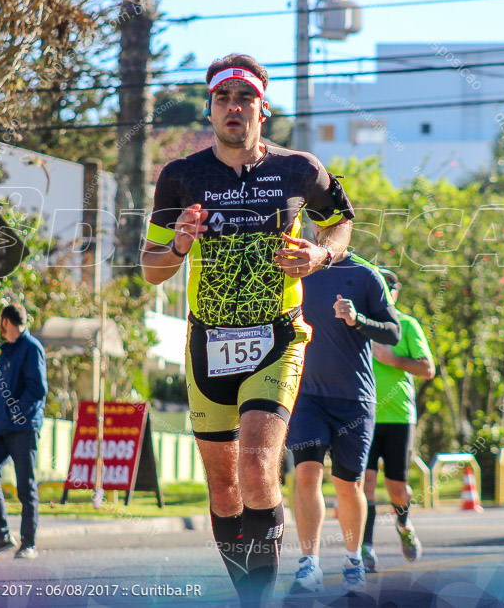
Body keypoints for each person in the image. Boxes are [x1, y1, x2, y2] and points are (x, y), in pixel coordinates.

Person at [140, 54, 354, 606]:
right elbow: (151, 266)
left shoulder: (299, 170)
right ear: (211, 110)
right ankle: (249, 594)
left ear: (264, 107)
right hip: (207, 340)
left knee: (257, 465)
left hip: (277, 337)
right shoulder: (181, 177)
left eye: (244, 98)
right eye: (222, 99)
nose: (233, 108)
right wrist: (180, 244)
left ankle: (262, 596)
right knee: (223, 486)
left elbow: (339, 224)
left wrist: (320, 254)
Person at [287, 253, 400, 595]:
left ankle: (353, 559)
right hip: (307, 396)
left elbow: (392, 331)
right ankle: (310, 563)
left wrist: (358, 319)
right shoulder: (297, 270)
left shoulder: (366, 275)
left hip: (354, 399)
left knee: (348, 485)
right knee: (307, 473)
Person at [361, 269, 435, 573]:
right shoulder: (359, 323)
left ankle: (404, 525)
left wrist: (394, 360)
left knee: (396, 488)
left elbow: (427, 369)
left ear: (395, 292)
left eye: (389, 287)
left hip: (399, 417)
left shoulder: (406, 325)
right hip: (362, 415)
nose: (384, 292)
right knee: (362, 485)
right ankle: (364, 547)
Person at [0, 304, 48, 560]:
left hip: (23, 428)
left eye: (0, 321)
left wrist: (16, 412)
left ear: (5, 321)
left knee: (25, 486)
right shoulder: (6, 351)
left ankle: (28, 543)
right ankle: (2, 535)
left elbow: (37, 389)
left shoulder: (32, 348)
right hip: (1, 427)